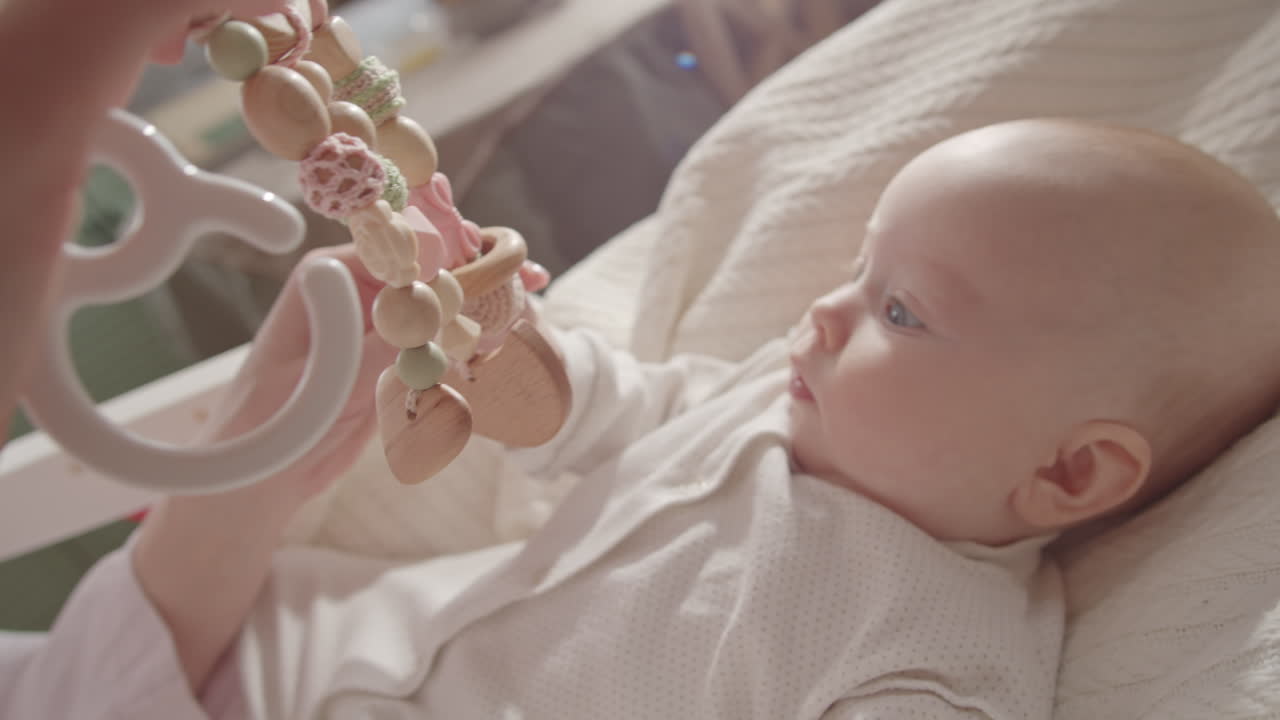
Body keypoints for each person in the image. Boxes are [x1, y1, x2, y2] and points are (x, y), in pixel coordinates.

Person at [3, 3, 1280, 718]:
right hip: (317, 646)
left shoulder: (926, 656)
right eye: (853, 273)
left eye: (901, 313)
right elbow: (601, 413)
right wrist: (512, 343)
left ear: (1067, 473)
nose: (825, 313)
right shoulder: (767, 413)